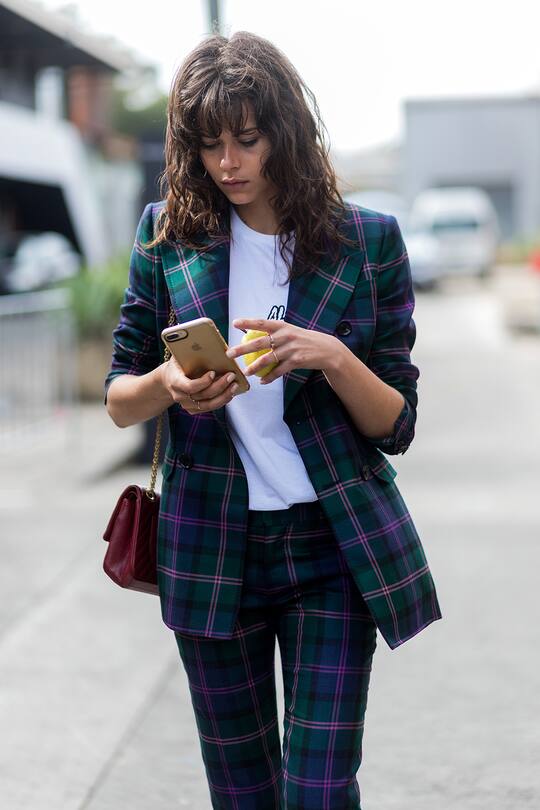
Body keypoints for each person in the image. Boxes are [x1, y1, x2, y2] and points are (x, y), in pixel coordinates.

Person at [104, 30, 442, 810]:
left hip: (329, 549)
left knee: (319, 793)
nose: (229, 163)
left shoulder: (367, 242)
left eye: (247, 140)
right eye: (212, 144)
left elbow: (396, 421)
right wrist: (171, 382)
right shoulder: (167, 237)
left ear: (284, 132)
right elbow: (120, 399)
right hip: (213, 550)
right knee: (243, 796)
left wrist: (329, 355)